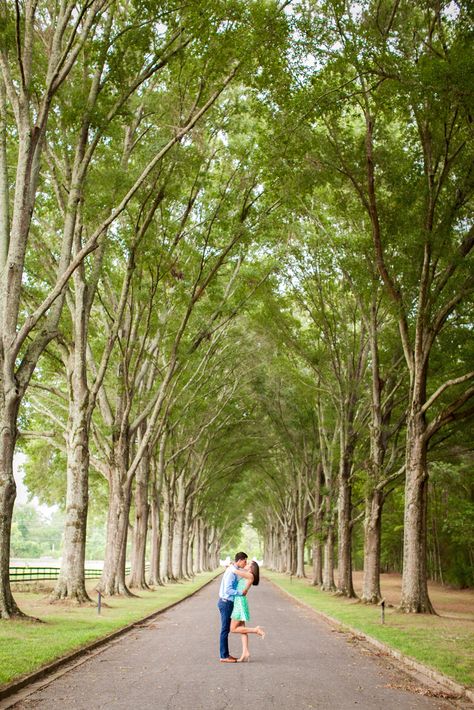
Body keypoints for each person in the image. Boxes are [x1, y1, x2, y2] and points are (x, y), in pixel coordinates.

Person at [230, 560, 265, 662]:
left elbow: (235, 571)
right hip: (240, 602)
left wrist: (232, 566)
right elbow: (238, 570)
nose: (246, 564)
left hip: (240, 604)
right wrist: (235, 565)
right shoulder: (247, 575)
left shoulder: (250, 576)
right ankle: (245, 652)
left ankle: (256, 630)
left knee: (233, 629)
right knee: (242, 629)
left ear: (251, 568)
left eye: (248, 563)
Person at [217, 551, 248, 663]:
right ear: (239, 560)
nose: (246, 563)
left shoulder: (233, 570)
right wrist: (241, 593)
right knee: (225, 630)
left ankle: (226, 654)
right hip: (226, 603)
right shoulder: (231, 572)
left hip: (227, 602)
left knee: (228, 629)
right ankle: (224, 656)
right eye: (245, 561)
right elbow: (228, 590)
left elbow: (240, 577)